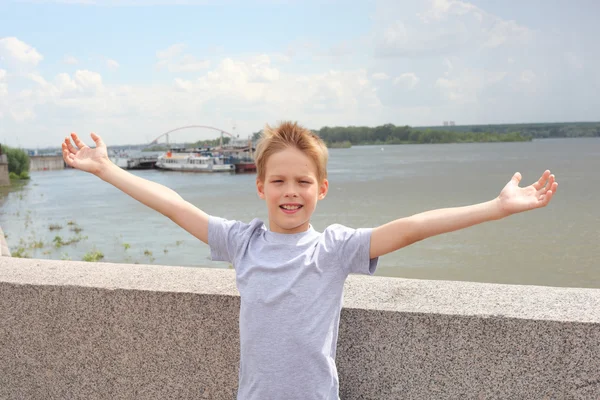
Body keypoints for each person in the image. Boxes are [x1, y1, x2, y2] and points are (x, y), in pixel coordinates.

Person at [61, 121, 558, 400]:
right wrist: (107, 169)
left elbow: (410, 227)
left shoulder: (336, 248)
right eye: (278, 181)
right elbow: (174, 204)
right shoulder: (242, 241)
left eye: (302, 182)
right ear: (260, 187)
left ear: (321, 189)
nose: (290, 192)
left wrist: (495, 208)